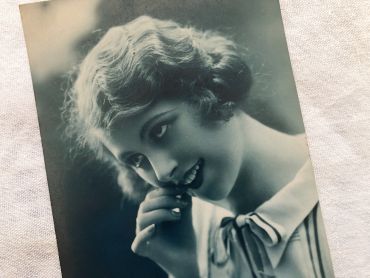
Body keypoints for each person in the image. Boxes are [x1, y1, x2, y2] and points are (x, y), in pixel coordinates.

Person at [63, 15, 334, 278]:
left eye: (160, 130)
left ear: (208, 87)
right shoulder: (185, 236)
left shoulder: (342, 173)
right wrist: (185, 270)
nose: (161, 172)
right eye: (136, 160)